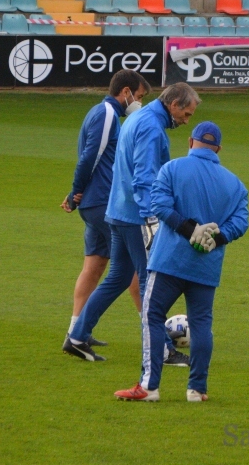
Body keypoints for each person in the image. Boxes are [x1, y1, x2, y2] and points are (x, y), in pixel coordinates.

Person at [64, 83, 201, 365]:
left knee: (118, 278)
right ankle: (162, 351)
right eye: (186, 114)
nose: (186, 120)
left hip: (116, 212)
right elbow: (144, 177)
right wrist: (152, 217)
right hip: (135, 216)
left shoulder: (139, 117)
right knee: (151, 285)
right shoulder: (151, 127)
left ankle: (77, 336)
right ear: (173, 104)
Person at [115, 121, 249, 402]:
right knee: (201, 324)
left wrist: (190, 231)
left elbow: (160, 206)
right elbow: (241, 222)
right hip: (206, 265)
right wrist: (217, 238)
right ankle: (197, 390)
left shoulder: (172, 169)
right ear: (219, 149)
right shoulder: (235, 184)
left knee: (152, 315)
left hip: (169, 262)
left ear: (190, 142)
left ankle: (149, 387)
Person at [61, 70, 150, 347]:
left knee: (95, 265)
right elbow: (91, 156)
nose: (139, 102)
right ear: (125, 92)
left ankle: (76, 330)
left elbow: (90, 156)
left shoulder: (96, 112)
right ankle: (154, 336)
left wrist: (76, 193)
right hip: (104, 202)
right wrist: (76, 191)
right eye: (139, 96)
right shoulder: (108, 114)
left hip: (93, 202)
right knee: (136, 270)